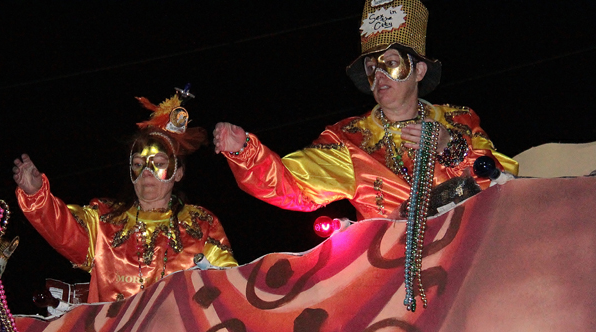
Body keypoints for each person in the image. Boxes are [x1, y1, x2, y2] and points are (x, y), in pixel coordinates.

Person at [213, 0, 519, 220]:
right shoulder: (349, 139)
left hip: (471, 255)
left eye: (391, 63)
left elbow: (501, 178)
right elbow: (292, 187)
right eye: (372, 67)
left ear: (420, 70)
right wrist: (245, 152)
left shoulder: (459, 120)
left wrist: (449, 147)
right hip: (391, 273)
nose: (380, 75)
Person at [14, 89, 237, 303]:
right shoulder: (104, 221)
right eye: (139, 164)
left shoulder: (201, 223)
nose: (147, 172)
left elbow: (231, 284)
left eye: (158, 163)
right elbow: (63, 229)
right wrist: (35, 194)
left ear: (178, 172)